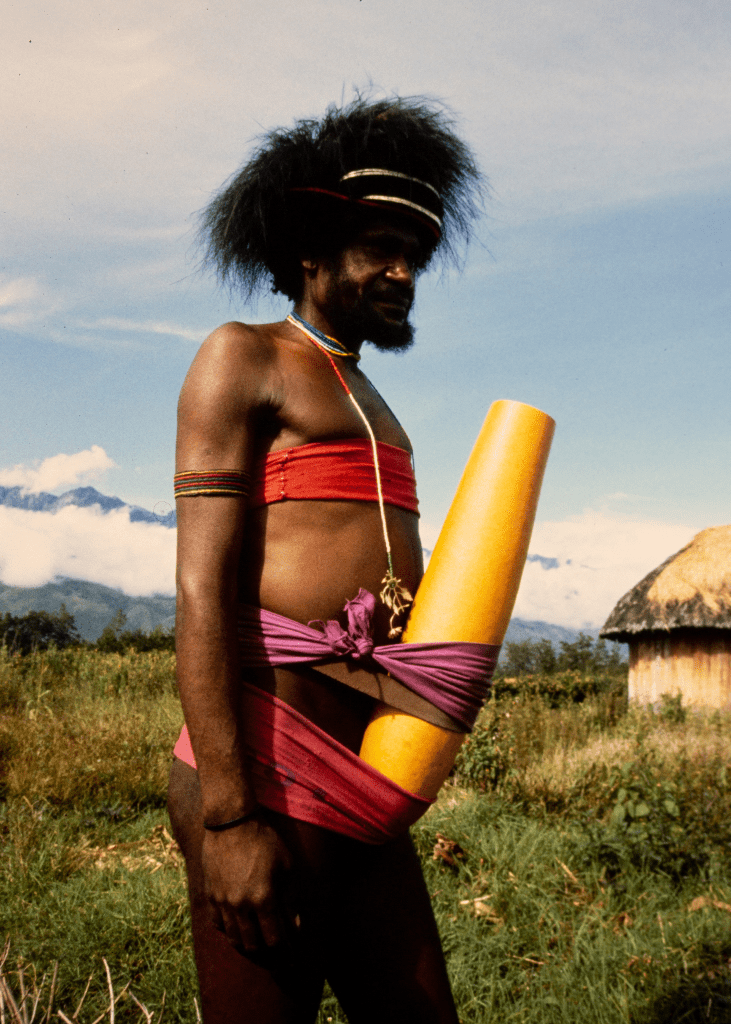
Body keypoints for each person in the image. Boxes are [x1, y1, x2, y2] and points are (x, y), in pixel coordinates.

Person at [167, 96, 483, 1023]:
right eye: (379, 249)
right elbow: (200, 591)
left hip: (369, 771)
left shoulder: (369, 396)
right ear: (310, 254)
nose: (403, 272)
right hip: (267, 765)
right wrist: (230, 817)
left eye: (414, 255)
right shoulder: (244, 357)